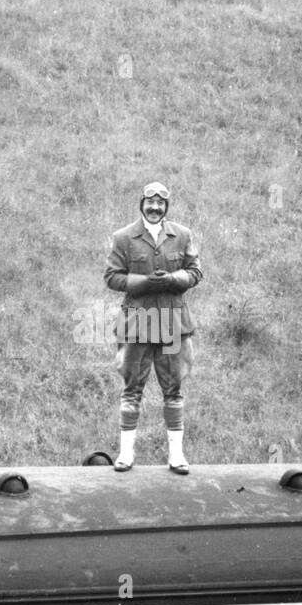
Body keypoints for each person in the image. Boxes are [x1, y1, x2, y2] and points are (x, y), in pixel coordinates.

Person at [104, 181, 203, 474]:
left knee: (174, 389)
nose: (155, 208)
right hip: (137, 324)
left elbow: (196, 272)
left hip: (173, 324)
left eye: (161, 203)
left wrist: (173, 279)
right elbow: (111, 277)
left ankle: (176, 456)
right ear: (141, 205)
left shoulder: (182, 235)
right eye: (150, 203)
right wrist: (144, 282)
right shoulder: (123, 237)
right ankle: (125, 454)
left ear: (167, 207)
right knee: (131, 388)